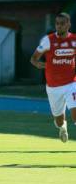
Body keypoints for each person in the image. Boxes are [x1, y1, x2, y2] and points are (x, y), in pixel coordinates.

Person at [31, 13, 76, 143]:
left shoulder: (74, 40)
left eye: (62, 23)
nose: (59, 26)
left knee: (75, 110)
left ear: (68, 24)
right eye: (57, 23)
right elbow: (33, 59)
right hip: (53, 87)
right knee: (59, 120)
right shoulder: (48, 40)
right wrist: (41, 64)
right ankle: (63, 128)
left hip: (71, 83)